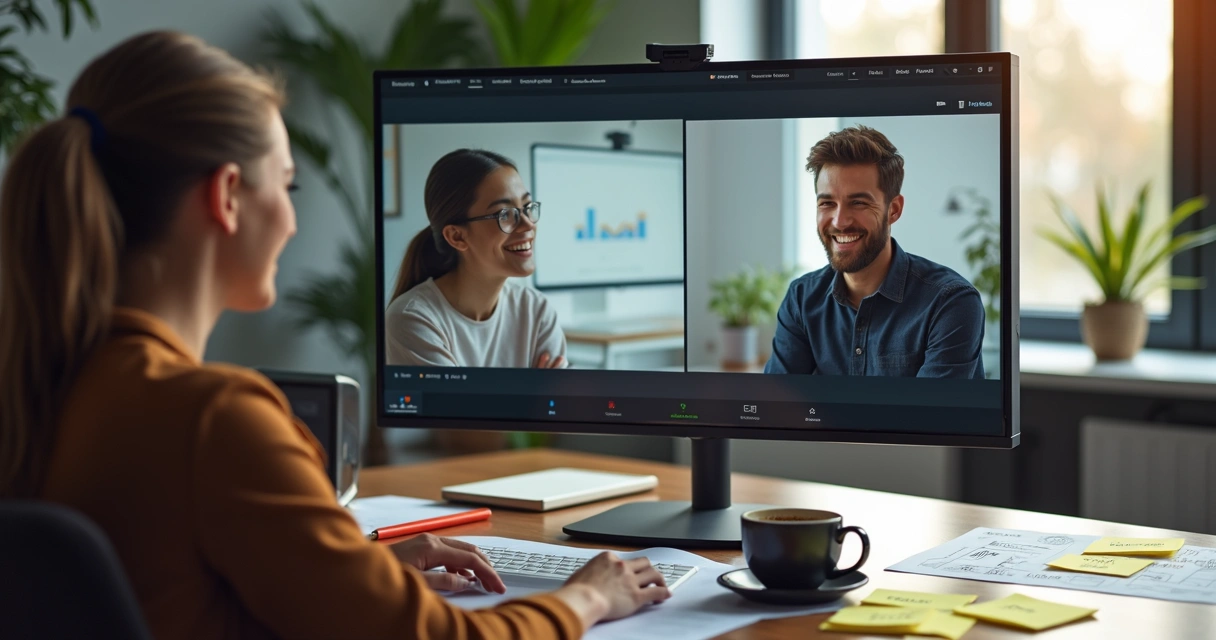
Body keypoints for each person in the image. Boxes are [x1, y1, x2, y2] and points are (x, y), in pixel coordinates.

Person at [0, 31, 668, 640]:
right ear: (227, 197)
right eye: (287, 185)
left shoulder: (52, 384)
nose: (293, 221)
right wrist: (587, 600)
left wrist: (354, 568)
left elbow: (181, 582)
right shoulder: (215, 419)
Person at [764, 125, 985, 378]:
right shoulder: (802, 299)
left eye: (858, 202)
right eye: (827, 203)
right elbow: (778, 407)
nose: (839, 221)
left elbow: (931, 416)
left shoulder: (950, 302)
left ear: (894, 210)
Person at [386, 150, 567, 369]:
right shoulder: (413, 320)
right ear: (457, 236)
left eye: (527, 207)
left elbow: (557, 403)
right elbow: (449, 405)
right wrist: (531, 395)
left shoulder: (537, 312)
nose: (528, 225)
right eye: (505, 214)